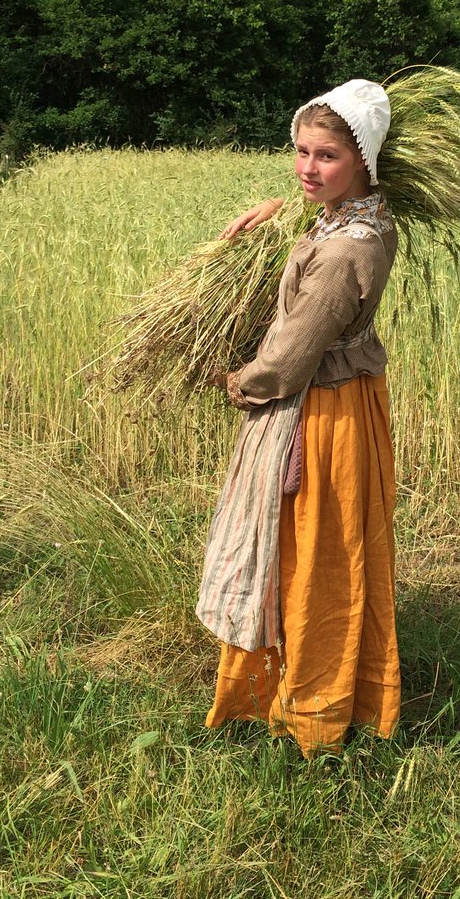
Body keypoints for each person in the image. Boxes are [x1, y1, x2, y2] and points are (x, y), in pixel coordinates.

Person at [196, 79, 401, 757]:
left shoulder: (347, 251)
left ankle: (312, 705)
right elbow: (323, 224)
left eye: (326, 157)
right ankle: (310, 686)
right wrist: (278, 211)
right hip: (340, 402)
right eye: (301, 153)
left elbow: (287, 360)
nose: (309, 169)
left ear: (362, 160)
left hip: (320, 414)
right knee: (318, 550)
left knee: (312, 555)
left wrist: (235, 382)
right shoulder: (360, 216)